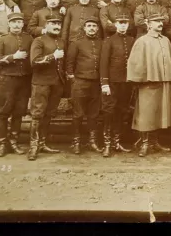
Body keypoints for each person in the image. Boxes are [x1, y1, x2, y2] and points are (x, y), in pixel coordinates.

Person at [127, 13, 171, 157]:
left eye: (161, 21)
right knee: (146, 114)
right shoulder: (142, 41)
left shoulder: (165, 41)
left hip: (164, 81)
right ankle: (144, 143)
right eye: (156, 21)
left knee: (159, 113)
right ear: (148, 24)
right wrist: (139, 80)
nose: (160, 23)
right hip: (148, 83)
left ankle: (154, 142)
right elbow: (135, 62)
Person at [0, 12, 33, 157]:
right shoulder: (2, 39)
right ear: (9, 24)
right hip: (6, 79)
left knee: (19, 111)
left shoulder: (29, 38)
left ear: (23, 24)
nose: (17, 25)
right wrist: (12, 57)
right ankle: (2, 143)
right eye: (14, 22)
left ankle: (14, 141)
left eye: (19, 22)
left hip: (24, 80)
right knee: (3, 112)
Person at [27, 14, 66, 160]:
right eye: (53, 23)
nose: (56, 26)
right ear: (46, 25)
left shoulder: (61, 41)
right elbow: (34, 62)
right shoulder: (38, 40)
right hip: (41, 83)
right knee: (37, 114)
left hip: (56, 84)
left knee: (49, 114)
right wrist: (52, 56)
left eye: (58, 24)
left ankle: (43, 143)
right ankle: (33, 146)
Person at [100, 15, 136, 157]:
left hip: (126, 83)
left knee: (121, 111)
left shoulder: (131, 40)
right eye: (120, 23)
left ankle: (116, 142)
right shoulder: (109, 41)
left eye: (125, 23)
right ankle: (107, 144)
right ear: (115, 24)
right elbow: (104, 63)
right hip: (112, 83)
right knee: (109, 112)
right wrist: (104, 83)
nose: (122, 26)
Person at [66, 17, 103, 155]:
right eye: (89, 26)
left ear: (98, 28)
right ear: (84, 28)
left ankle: (92, 142)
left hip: (96, 83)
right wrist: (73, 78)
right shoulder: (77, 43)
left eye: (94, 26)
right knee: (78, 114)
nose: (92, 28)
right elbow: (69, 63)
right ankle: (76, 142)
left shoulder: (102, 43)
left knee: (93, 114)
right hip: (80, 82)